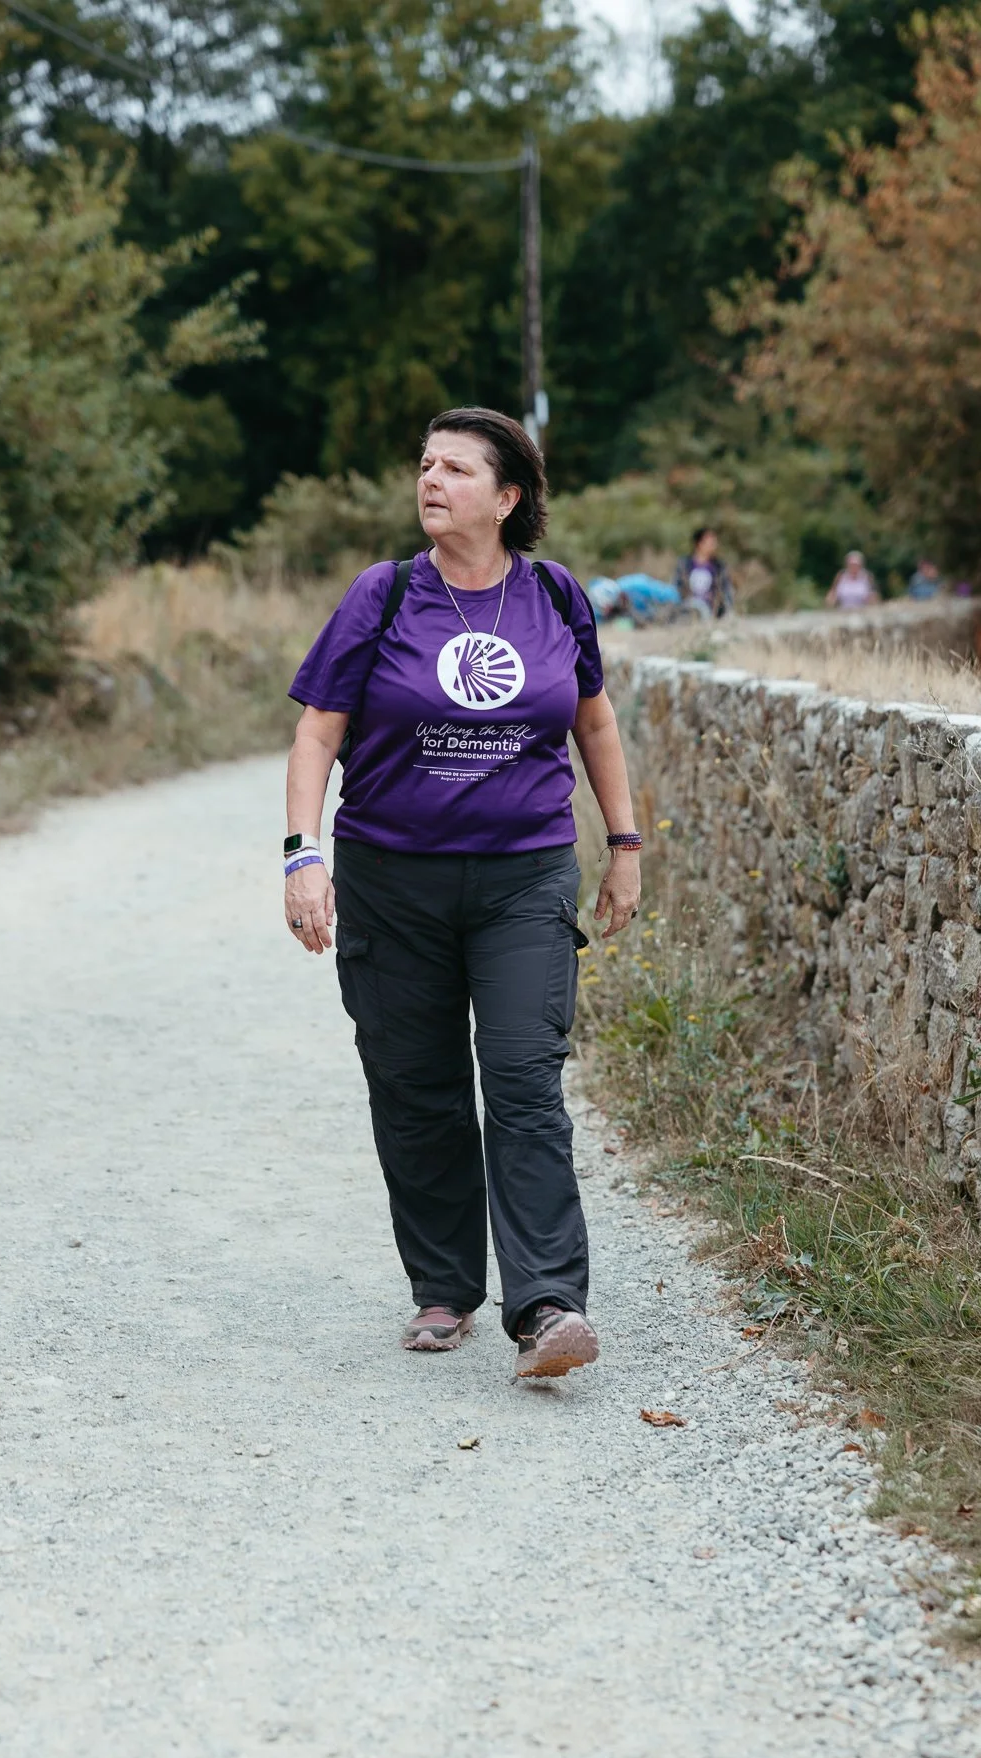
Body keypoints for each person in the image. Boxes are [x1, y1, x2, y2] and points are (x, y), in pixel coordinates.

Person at [283, 408, 642, 1379]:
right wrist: (299, 855)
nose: (430, 479)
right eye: (424, 464)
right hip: (391, 877)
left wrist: (624, 841)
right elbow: (318, 733)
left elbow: (595, 726)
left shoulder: (556, 598)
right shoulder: (384, 594)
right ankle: (444, 1288)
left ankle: (548, 1304)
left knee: (524, 1076)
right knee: (417, 1085)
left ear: (507, 495)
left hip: (522, 873)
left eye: (455, 468)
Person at [677, 527, 734, 616]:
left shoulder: (718, 566)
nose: (714, 545)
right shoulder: (684, 564)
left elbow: (726, 591)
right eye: (710, 542)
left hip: (710, 609)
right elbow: (677, 587)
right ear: (699, 543)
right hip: (687, 606)